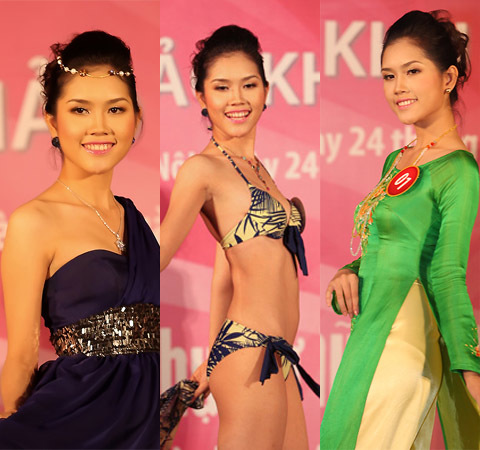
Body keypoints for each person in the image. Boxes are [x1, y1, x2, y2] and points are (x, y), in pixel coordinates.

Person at [321, 10, 480, 449]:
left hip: (405, 342)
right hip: (369, 333)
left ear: (448, 78)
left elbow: (447, 272)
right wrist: (348, 270)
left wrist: (470, 368)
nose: (398, 88)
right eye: (389, 76)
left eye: (412, 71)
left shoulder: (459, 170)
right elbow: (386, 246)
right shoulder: (397, 159)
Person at [160, 25, 318, 449]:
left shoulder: (257, 169)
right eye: (221, 87)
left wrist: (211, 359)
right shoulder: (202, 169)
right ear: (201, 97)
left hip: (277, 357)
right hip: (250, 352)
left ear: (266, 90)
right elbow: (157, 254)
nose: (237, 98)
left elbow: (224, 275)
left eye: (248, 84)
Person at [0, 31, 159, 448]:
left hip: (140, 428)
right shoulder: (33, 221)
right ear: (52, 120)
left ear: (136, 117)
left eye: (116, 109)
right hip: (72, 427)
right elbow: (22, 357)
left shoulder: (136, 220)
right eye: (80, 110)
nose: (99, 127)